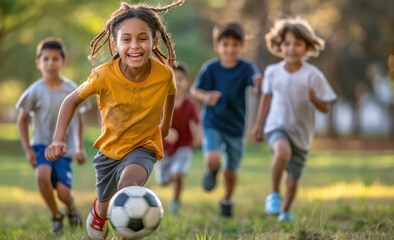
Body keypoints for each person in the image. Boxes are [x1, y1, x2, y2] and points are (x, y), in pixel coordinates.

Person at [44, 1, 184, 239]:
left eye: (142, 38)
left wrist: (165, 125)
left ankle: (127, 233)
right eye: (126, 39)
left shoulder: (164, 74)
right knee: (105, 207)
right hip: (109, 151)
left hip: (143, 147)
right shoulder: (103, 75)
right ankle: (99, 213)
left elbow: (170, 93)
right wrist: (58, 139)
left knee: (129, 185)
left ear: (154, 41)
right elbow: (71, 101)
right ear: (115, 43)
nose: (134, 46)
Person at [250, 17, 337, 224]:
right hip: (276, 126)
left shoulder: (313, 76)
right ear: (280, 46)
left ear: (307, 47)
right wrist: (259, 125)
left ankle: (286, 212)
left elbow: (326, 107)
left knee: (292, 180)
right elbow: (266, 97)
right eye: (287, 43)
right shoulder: (273, 72)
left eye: (297, 44)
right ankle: (273, 195)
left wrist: (315, 99)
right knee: (282, 151)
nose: (291, 49)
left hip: (302, 134)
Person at [16, 38, 90, 235]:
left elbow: (80, 119)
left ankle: (71, 209)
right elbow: (21, 120)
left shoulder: (72, 89)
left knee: (64, 193)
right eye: (46, 59)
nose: (50, 63)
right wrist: (27, 148)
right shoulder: (34, 91)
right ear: (38, 63)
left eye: (55, 59)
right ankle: (56, 215)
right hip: (41, 144)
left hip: (64, 149)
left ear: (63, 62)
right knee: (42, 175)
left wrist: (79, 146)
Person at [190, 21, 261, 218]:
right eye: (225, 44)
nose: (230, 49)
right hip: (213, 121)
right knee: (212, 158)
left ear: (242, 46)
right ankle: (212, 170)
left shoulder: (246, 68)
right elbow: (195, 90)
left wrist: (258, 83)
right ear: (217, 46)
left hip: (236, 126)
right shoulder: (210, 68)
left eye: (235, 44)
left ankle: (227, 200)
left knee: (231, 172)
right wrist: (206, 97)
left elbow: (255, 83)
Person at [155, 63, 200, 215]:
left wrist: (199, 136)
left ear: (186, 82)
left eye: (180, 79)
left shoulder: (190, 104)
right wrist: (166, 132)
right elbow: (154, 124)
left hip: (184, 146)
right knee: (163, 181)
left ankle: (175, 201)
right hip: (165, 149)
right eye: (173, 79)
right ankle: (171, 177)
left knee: (177, 173)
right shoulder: (161, 103)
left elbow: (197, 123)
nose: (176, 82)